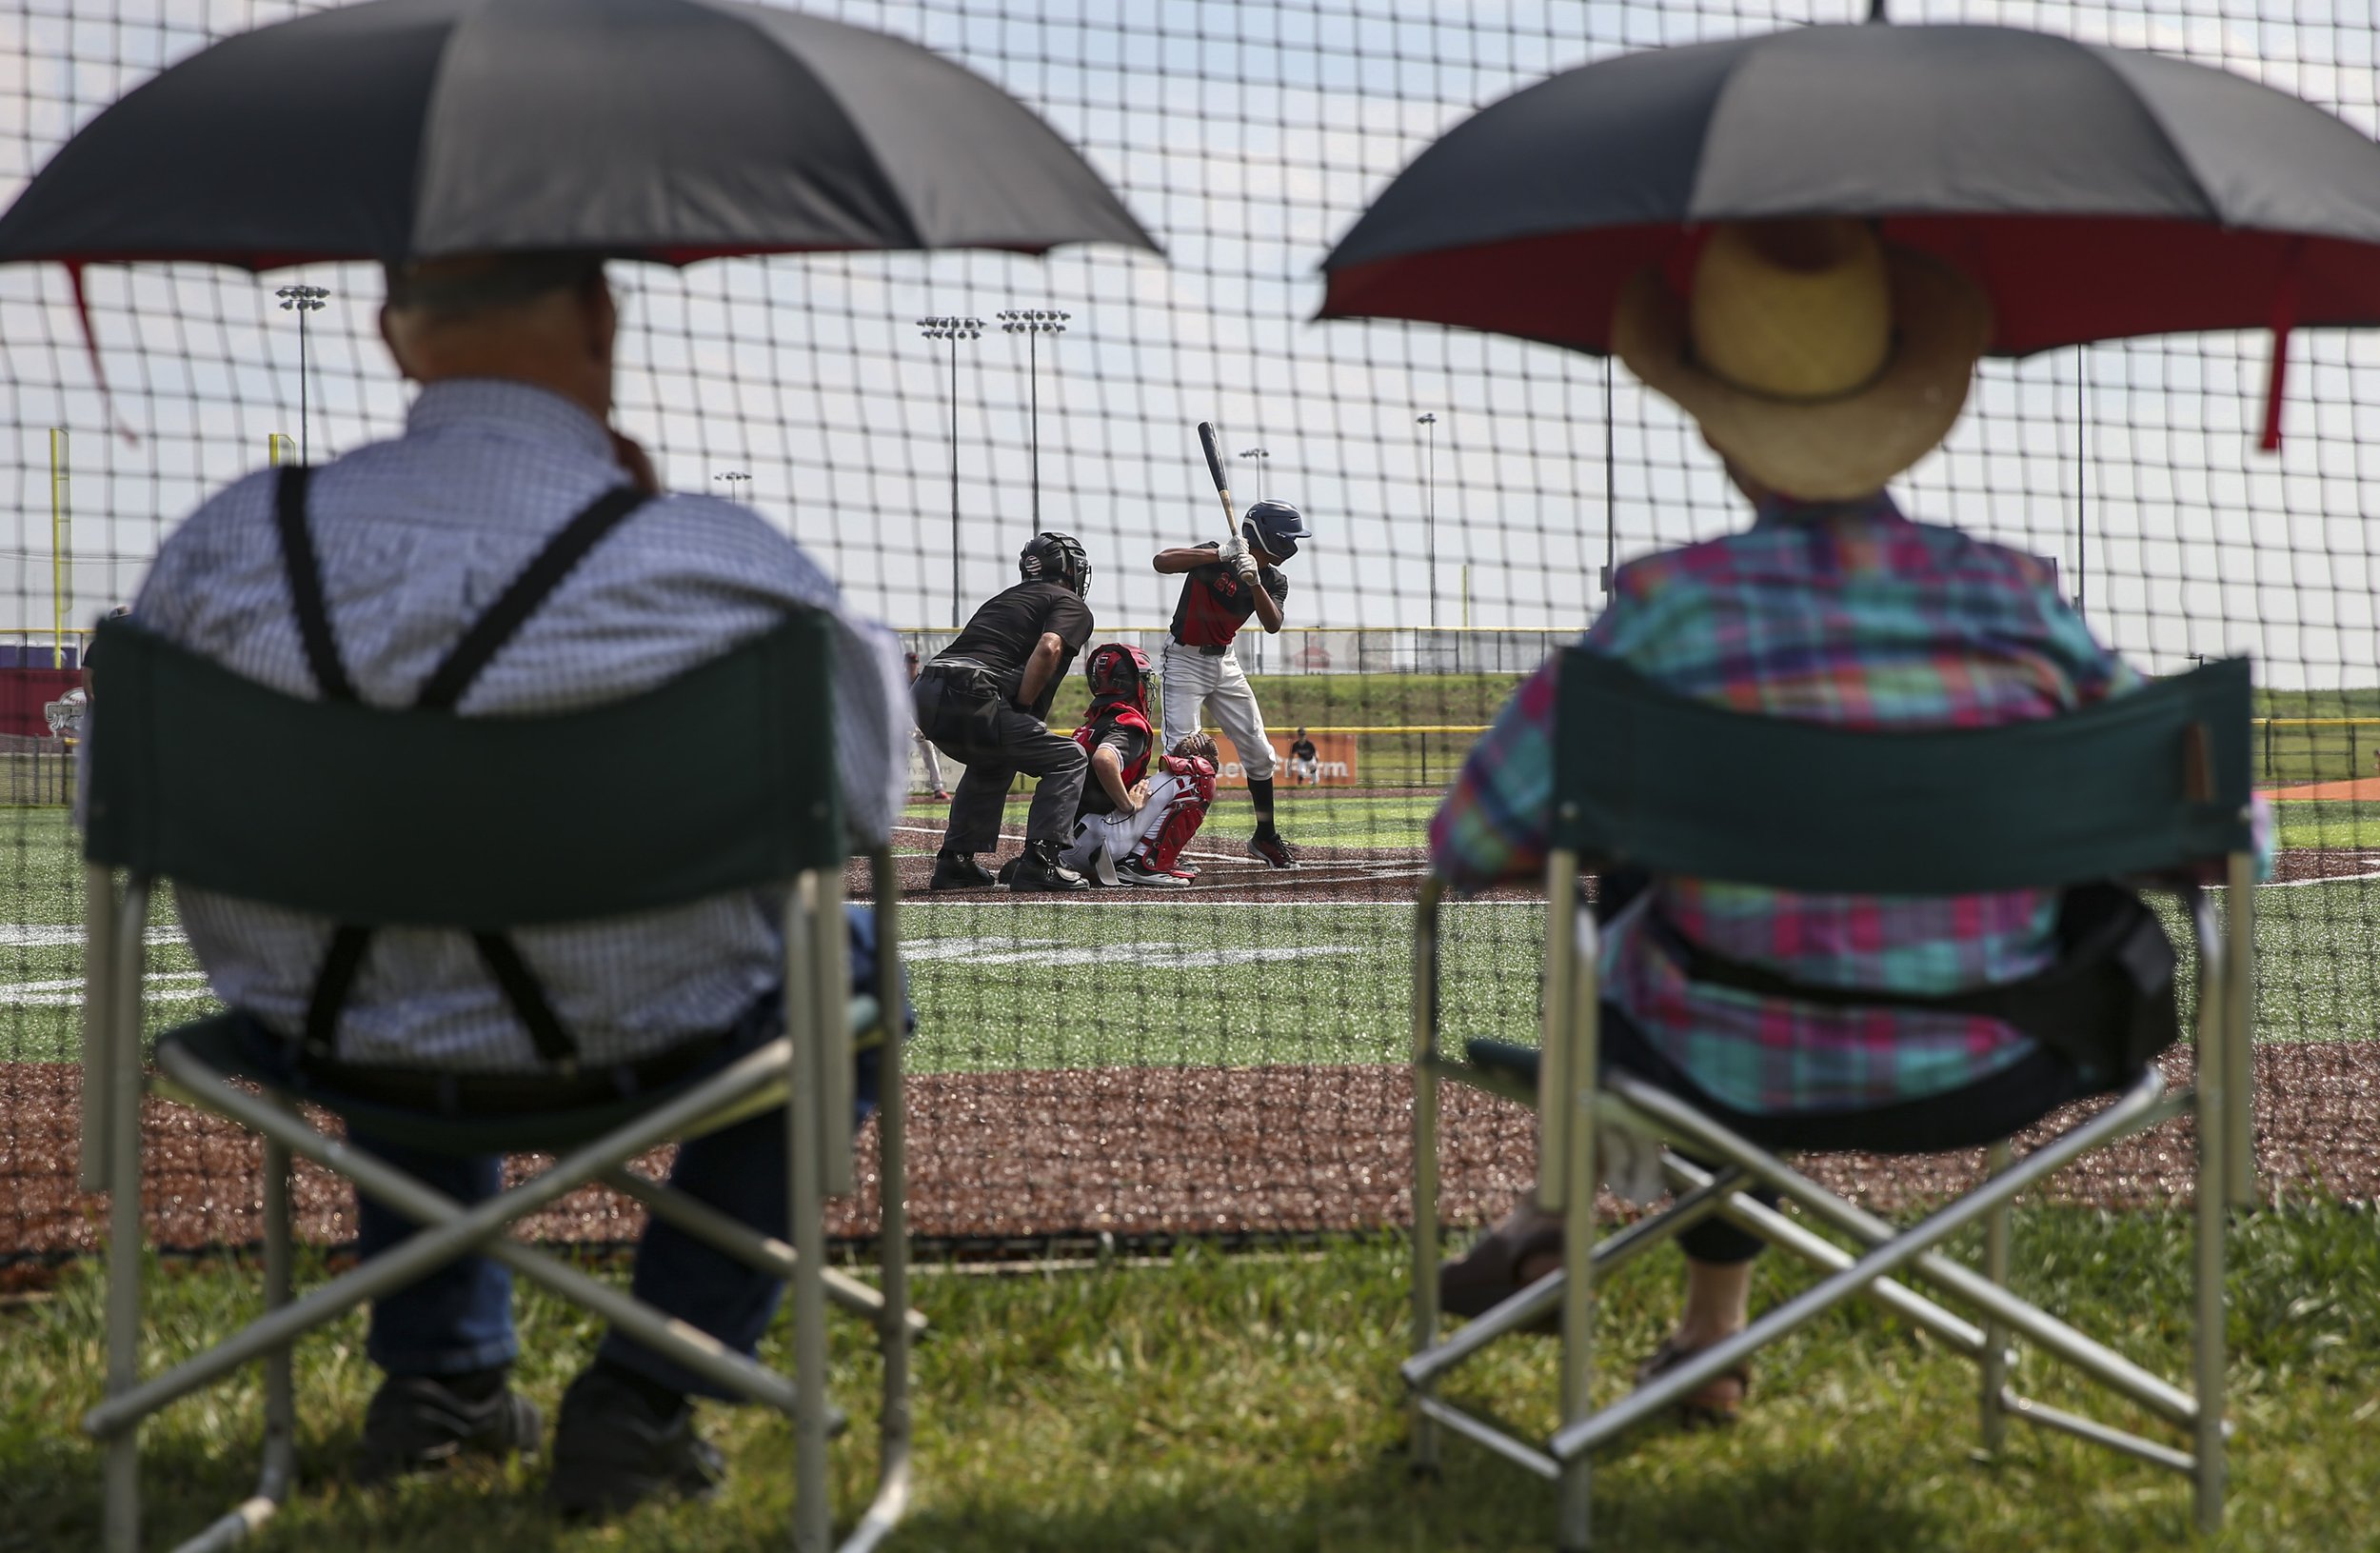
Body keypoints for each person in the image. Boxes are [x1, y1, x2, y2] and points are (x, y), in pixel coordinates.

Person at [1429, 218, 2262, 1425]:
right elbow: (2229, 835)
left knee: (1641, 924)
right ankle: (1687, 1320)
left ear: (1716, 419)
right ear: (1909, 392)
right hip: (2004, 1062)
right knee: (1672, 936)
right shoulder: (2015, 598)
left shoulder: (1665, 611)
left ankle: (1563, 1222)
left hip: (1717, 1062)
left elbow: (1469, 845)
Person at [123, 250, 912, 1512]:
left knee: (394, 918)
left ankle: (441, 1385)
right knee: (856, 966)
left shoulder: (230, 538)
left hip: (326, 1031)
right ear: (602, 314)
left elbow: (124, 795)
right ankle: (650, 1390)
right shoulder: (724, 556)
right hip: (655, 1034)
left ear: (390, 331)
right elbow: (870, 803)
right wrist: (647, 529)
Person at [914, 532, 1096, 892]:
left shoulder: (1005, 598)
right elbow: (1049, 647)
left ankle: (955, 862)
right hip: (971, 694)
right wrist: (1025, 705)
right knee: (1069, 758)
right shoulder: (1070, 603)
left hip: (924, 693)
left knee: (994, 759)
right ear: (1071, 569)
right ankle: (1041, 862)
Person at [1154, 498, 1313, 869]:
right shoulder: (1216, 555)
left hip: (1225, 662)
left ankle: (1264, 835)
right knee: (1184, 756)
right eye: (1287, 539)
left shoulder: (1274, 579)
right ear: (1267, 536)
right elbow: (1162, 562)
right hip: (1183, 661)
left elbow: (1272, 623)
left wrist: (1254, 580)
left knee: (1261, 754)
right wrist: (1220, 555)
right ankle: (1161, 847)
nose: (1292, 547)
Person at [1056, 642, 1219, 886]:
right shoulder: (1126, 720)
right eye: (1142, 678)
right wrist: (1128, 805)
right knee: (1197, 773)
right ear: (1129, 682)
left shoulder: (1091, 724)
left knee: (1154, 782)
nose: (1146, 685)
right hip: (1100, 840)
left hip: (1069, 844)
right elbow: (1104, 760)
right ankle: (1145, 864)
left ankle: (1134, 857)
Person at [904, 647, 951, 801]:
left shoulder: (921, 680)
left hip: (919, 721)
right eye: (910, 662)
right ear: (905, 664)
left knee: (929, 753)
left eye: (915, 662)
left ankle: (938, 788)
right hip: (903, 722)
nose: (912, 665)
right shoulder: (899, 681)